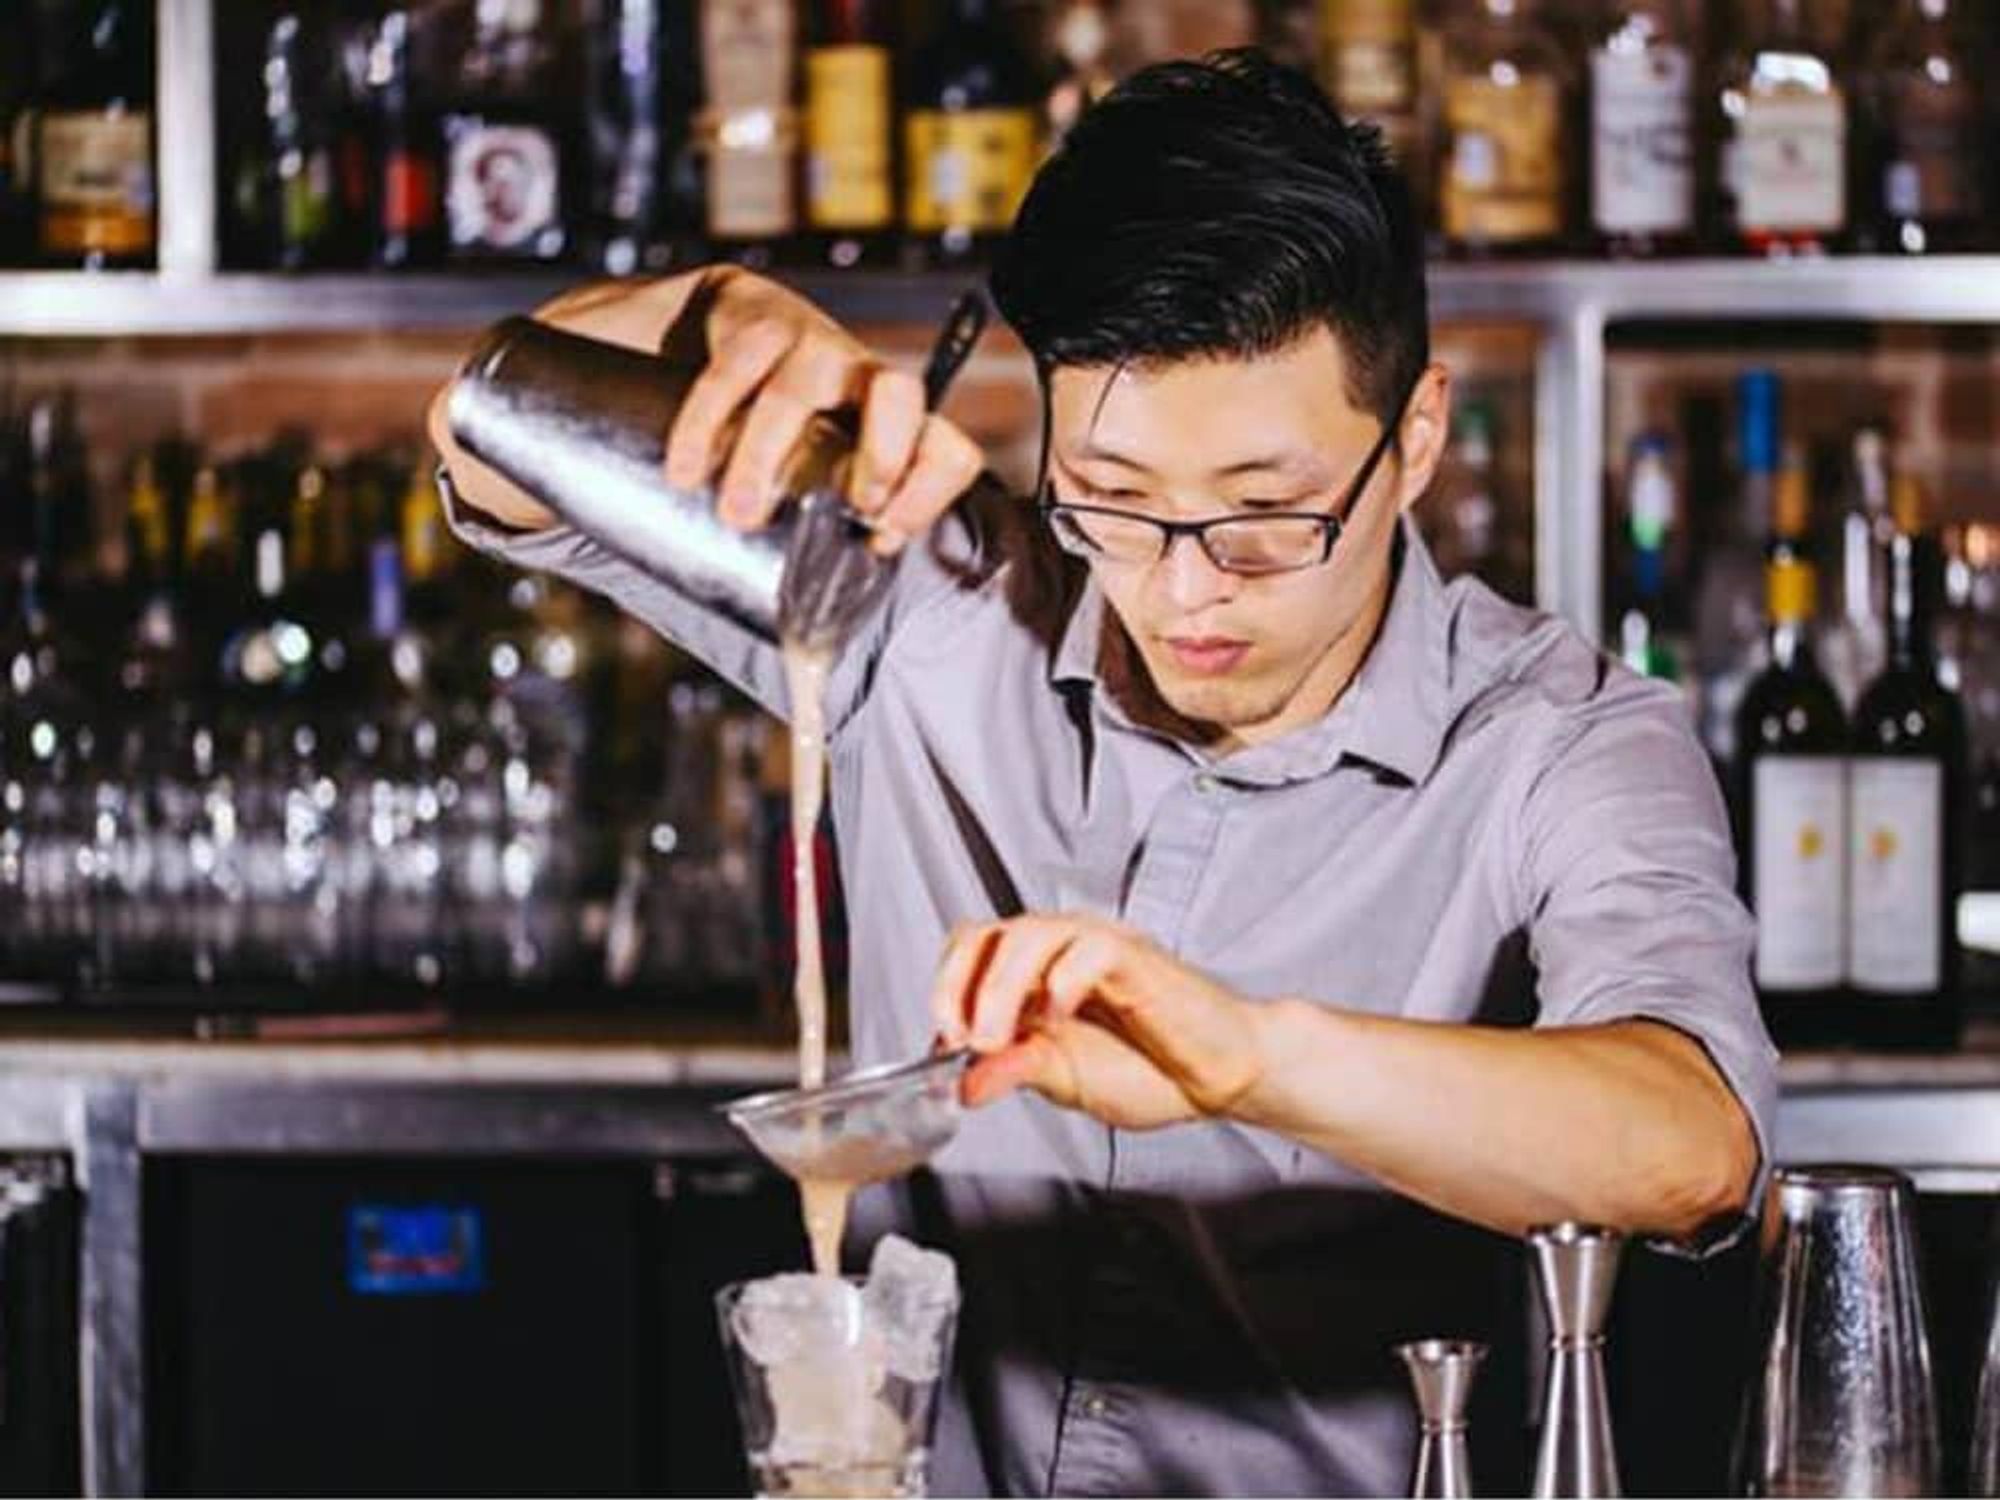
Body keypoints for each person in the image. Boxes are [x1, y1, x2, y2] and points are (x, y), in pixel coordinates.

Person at [429, 50, 1774, 1499]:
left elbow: (1689, 1140)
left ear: (1415, 441)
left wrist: (1252, 1060)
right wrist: (701, 311)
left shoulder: (1557, 744)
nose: (1182, 592)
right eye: (1114, 506)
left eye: (1265, 518)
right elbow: (489, 445)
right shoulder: (935, 604)